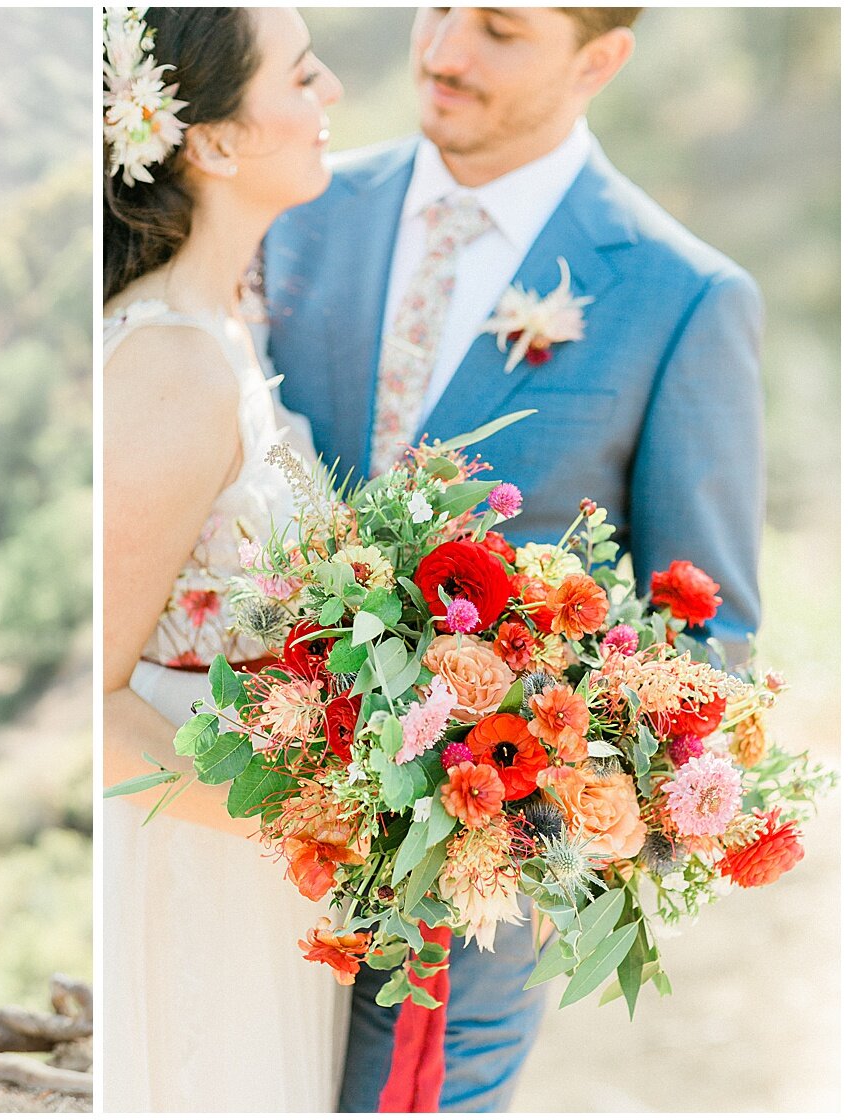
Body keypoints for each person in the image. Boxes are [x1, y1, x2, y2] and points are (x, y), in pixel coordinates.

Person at [263, 7, 764, 1110]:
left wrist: (543, 829)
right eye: (437, 8)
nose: (441, 52)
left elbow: (708, 643)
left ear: (600, 59)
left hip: (459, 905)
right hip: (237, 836)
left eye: (496, 27)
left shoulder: (682, 297)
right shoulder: (293, 210)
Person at [102, 8, 353, 1110]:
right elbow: (91, 706)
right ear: (210, 141)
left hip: (252, 854)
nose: (333, 89)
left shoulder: (225, 328)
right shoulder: (167, 366)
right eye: (301, 75)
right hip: (193, 861)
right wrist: (322, 818)